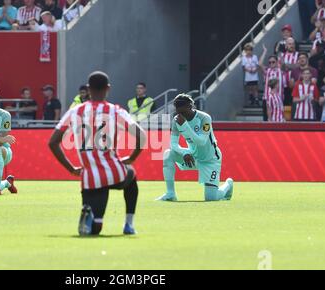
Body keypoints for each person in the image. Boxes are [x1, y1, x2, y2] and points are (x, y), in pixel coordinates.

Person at [49, 71, 146, 236]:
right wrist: (131, 158)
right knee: (131, 174)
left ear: (88, 89)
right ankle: (129, 224)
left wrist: (71, 168)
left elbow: (52, 142)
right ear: (108, 88)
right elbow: (141, 137)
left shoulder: (75, 111)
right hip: (115, 172)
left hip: (89, 177)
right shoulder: (115, 111)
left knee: (95, 228)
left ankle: (91, 217)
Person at [156, 94, 234, 202]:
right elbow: (173, 144)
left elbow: (201, 142)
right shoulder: (177, 120)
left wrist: (185, 126)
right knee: (168, 153)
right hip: (192, 156)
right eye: (178, 112)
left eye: (183, 112)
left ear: (190, 106)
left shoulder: (204, 118)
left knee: (211, 198)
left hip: (210, 160)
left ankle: (228, 185)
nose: (181, 115)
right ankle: (170, 193)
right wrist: (184, 153)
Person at [259, 45, 284, 121]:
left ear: (277, 62)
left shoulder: (280, 71)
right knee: (267, 119)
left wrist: (279, 52)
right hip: (267, 98)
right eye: (269, 62)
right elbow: (260, 64)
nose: (271, 63)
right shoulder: (267, 71)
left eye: (273, 62)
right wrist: (265, 51)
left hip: (278, 98)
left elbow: (283, 64)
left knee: (278, 117)